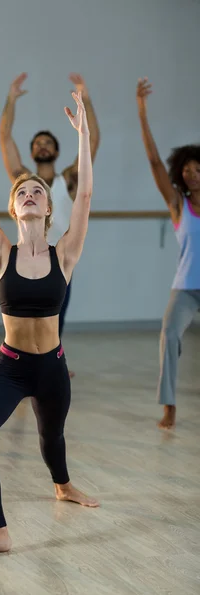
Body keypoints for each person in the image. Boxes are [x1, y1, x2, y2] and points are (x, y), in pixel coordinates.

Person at [0, 89, 99, 562]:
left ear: (47, 207)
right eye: (21, 192)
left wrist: (82, 134)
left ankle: (62, 485)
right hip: (11, 367)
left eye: (37, 190)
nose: (30, 193)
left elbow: (86, 194)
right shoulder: (1, 252)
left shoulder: (66, 252)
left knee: (51, 437)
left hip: (53, 367)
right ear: (14, 210)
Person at [0, 73, 100, 367]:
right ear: (32, 152)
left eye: (47, 143)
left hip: (60, 258)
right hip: (25, 257)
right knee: (18, 316)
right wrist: (11, 100)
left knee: (55, 317)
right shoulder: (24, 182)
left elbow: (92, 142)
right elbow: (4, 139)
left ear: (56, 151)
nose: (42, 146)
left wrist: (86, 99)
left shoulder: (68, 180)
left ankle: (51, 364)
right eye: (38, 143)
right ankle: (19, 365)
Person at [137, 77, 200, 430]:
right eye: (187, 170)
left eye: (198, 169)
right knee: (170, 335)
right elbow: (152, 160)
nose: (192, 175)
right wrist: (143, 112)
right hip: (186, 287)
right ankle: (170, 406)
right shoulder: (178, 205)